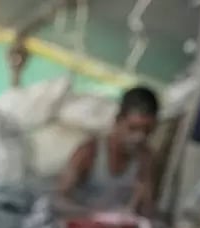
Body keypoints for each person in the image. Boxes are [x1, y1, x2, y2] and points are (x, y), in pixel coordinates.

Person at [56, 85, 160, 218]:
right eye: (133, 128)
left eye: (147, 131)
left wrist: (143, 199)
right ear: (117, 121)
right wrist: (94, 215)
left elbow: (148, 212)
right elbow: (59, 199)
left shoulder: (145, 159)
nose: (139, 137)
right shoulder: (89, 152)